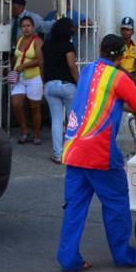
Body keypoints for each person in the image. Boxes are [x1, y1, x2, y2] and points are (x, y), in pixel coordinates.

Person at [57, 34, 136, 272]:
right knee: (116, 204)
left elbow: (113, 101)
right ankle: (124, 255)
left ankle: (68, 259)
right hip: (99, 153)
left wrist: (135, 110)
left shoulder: (87, 71)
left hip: (74, 150)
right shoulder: (117, 77)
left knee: (74, 208)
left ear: (100, 49)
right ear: (121, 57)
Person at [42, 17, 78, 163]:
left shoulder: (46, 45)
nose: (74, 29)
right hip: (67, 85)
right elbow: (72, 66)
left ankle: (58, 154)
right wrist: (80, 83)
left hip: (50, 85)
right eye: (72, 27)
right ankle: (73, 154)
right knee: (72, 120)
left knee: (56, 121)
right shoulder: (68, 45)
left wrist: (44, 82)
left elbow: (42, 65)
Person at [10, 15, 44, 145]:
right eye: (23, 26)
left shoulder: (38, 41)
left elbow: (40, 60)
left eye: (28, 26)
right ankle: (24, 131)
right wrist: (11, 68)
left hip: (34, 77)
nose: (26, 28)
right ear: (20, 28)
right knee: (16, 104)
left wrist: (24, 66)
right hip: (19, 78)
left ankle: (37, 134)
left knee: (34, 107)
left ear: (33, 27)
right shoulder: (19, 40)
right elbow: (15, 56)